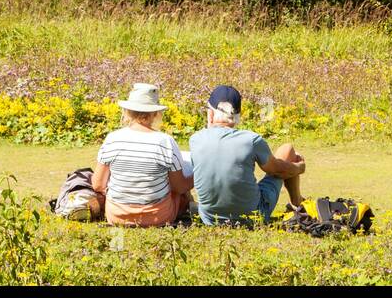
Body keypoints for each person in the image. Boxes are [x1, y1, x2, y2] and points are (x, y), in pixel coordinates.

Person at [190, 84, 305, 226]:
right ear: (237, 115)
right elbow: (277, 170)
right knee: (287, 149)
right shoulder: (251, 140)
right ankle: (297, 202)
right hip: (252, 216)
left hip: (209, 219)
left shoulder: (195, 140)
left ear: (211, 113)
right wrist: (299, 167)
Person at [92, 83, 193, 227]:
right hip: (158, 217)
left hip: (116, 216)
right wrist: (199, 175)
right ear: (155, 113)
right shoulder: (165, 141)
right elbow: (179, 187)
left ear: (127, 111)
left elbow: (97, 185)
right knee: (180, 183)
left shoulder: (112, 139)